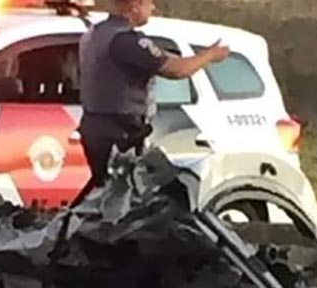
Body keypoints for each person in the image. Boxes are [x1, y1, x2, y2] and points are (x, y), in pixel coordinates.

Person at [77, 0, 230, 195]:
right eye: (149, 3)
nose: (153, 8)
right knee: (129, 197)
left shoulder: (95, 33)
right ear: (135, 6)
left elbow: (162, 59)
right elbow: (176, 70)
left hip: (94, 126)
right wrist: (210, 55)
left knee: (104, 191)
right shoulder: (126, 41)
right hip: (121, 132)